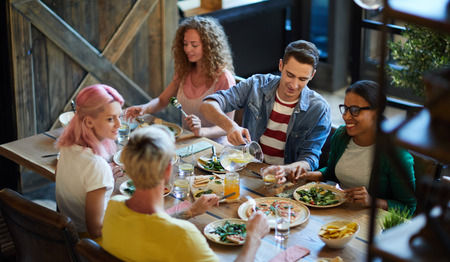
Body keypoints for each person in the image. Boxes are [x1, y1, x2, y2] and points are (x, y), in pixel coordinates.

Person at [101, 125, 270, 261]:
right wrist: (253, 237)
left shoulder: (113, 207)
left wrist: (191, 211)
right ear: (168, 170)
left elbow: (151, 228)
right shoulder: (184, 236)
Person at [282, 80, 416, 214]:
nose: (346, 116)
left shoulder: (396, 155)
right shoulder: (341, 135)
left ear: (376, 112)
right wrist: (309, 175)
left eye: (354, 110)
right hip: (338, 211)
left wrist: (372, 201)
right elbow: (332, 173)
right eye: (345, 108)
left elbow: (409, 208)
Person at [200, 40, 331, 172]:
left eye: (302, 79)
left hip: (285, 179)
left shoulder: (319, 109)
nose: (294, 85)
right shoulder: (256, 85)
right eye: (290, 75)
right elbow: (207, 105)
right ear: (281, 65)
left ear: (312, 75)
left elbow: (310, 159)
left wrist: (285, 170)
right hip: (249, 169)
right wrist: (230, 126)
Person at [124, 16, 235, 144]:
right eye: (185, 44)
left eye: (194, 45)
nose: (188, 49)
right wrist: (144, 108)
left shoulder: (223, 78)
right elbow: (162, 100)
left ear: (209, 46)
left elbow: (228, 126)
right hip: (187, 141)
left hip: (214, 147)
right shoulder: (185, 70)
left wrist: (201, 131)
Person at [55, 84, 125, 239]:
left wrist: (104, 184)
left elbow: (78, 185)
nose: (119, 125)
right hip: (89, 245)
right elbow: (96, 230)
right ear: (89, 122)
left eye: (119, 116)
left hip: (68, 236)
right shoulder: (98, 167)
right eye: (110, 119)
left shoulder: (67, 147)